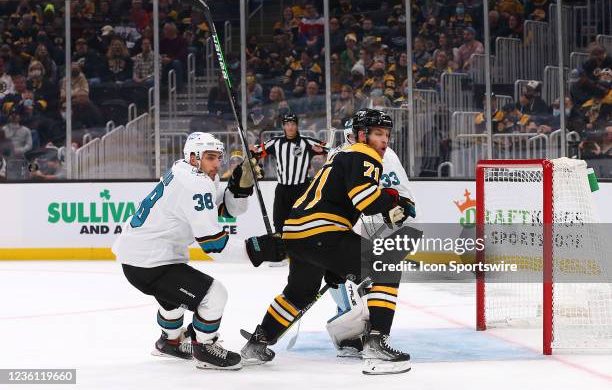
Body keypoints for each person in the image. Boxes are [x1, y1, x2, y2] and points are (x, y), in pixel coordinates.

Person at [241, 109, 415, 375]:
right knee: (386, 267)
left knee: (299, 293)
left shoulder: (338, 156)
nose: (384, 140)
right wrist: (393, 201)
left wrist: (334, 263)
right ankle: (376, 346)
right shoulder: (364, 153)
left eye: (387, 134)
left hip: (296, 233)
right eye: (378, 133)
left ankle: (258, 343)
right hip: (323, 232)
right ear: (361, 135)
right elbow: (365, 200)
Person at [112, 132, 260, 370]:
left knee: (173, 300)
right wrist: (259, 250)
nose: (216, 164)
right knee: (214, 296)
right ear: (193, 157)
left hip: (141, 259)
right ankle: (205, 348)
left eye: (218, 158)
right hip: (152, 262)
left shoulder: (186, 172)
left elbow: (224, 208)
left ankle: (169, 342)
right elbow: (214, 245)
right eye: (210, 157)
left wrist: (239, 190)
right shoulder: (196, 182)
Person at [323, 116, 417, 358]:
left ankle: (369, 336)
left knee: (372, 280)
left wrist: (400, 207)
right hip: (357, 227)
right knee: (349, 281)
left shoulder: (385, 155)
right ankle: (354, 336)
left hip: (385, 226)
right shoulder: (343, 155)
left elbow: (397, 194)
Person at [249, 113, 327, 234]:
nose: (290, 127)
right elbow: (258, 151)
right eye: (287, 124)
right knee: (279, 222)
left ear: (297, 126)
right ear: (284, 126)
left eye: (293, 124)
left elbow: (328, 149)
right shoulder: (275, 143)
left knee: (303, 220)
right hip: (282, 189)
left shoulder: (306, 142)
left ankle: (302, 247)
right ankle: (282, 249)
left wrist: (323, 150)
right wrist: (252, 151)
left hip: (301, 189)